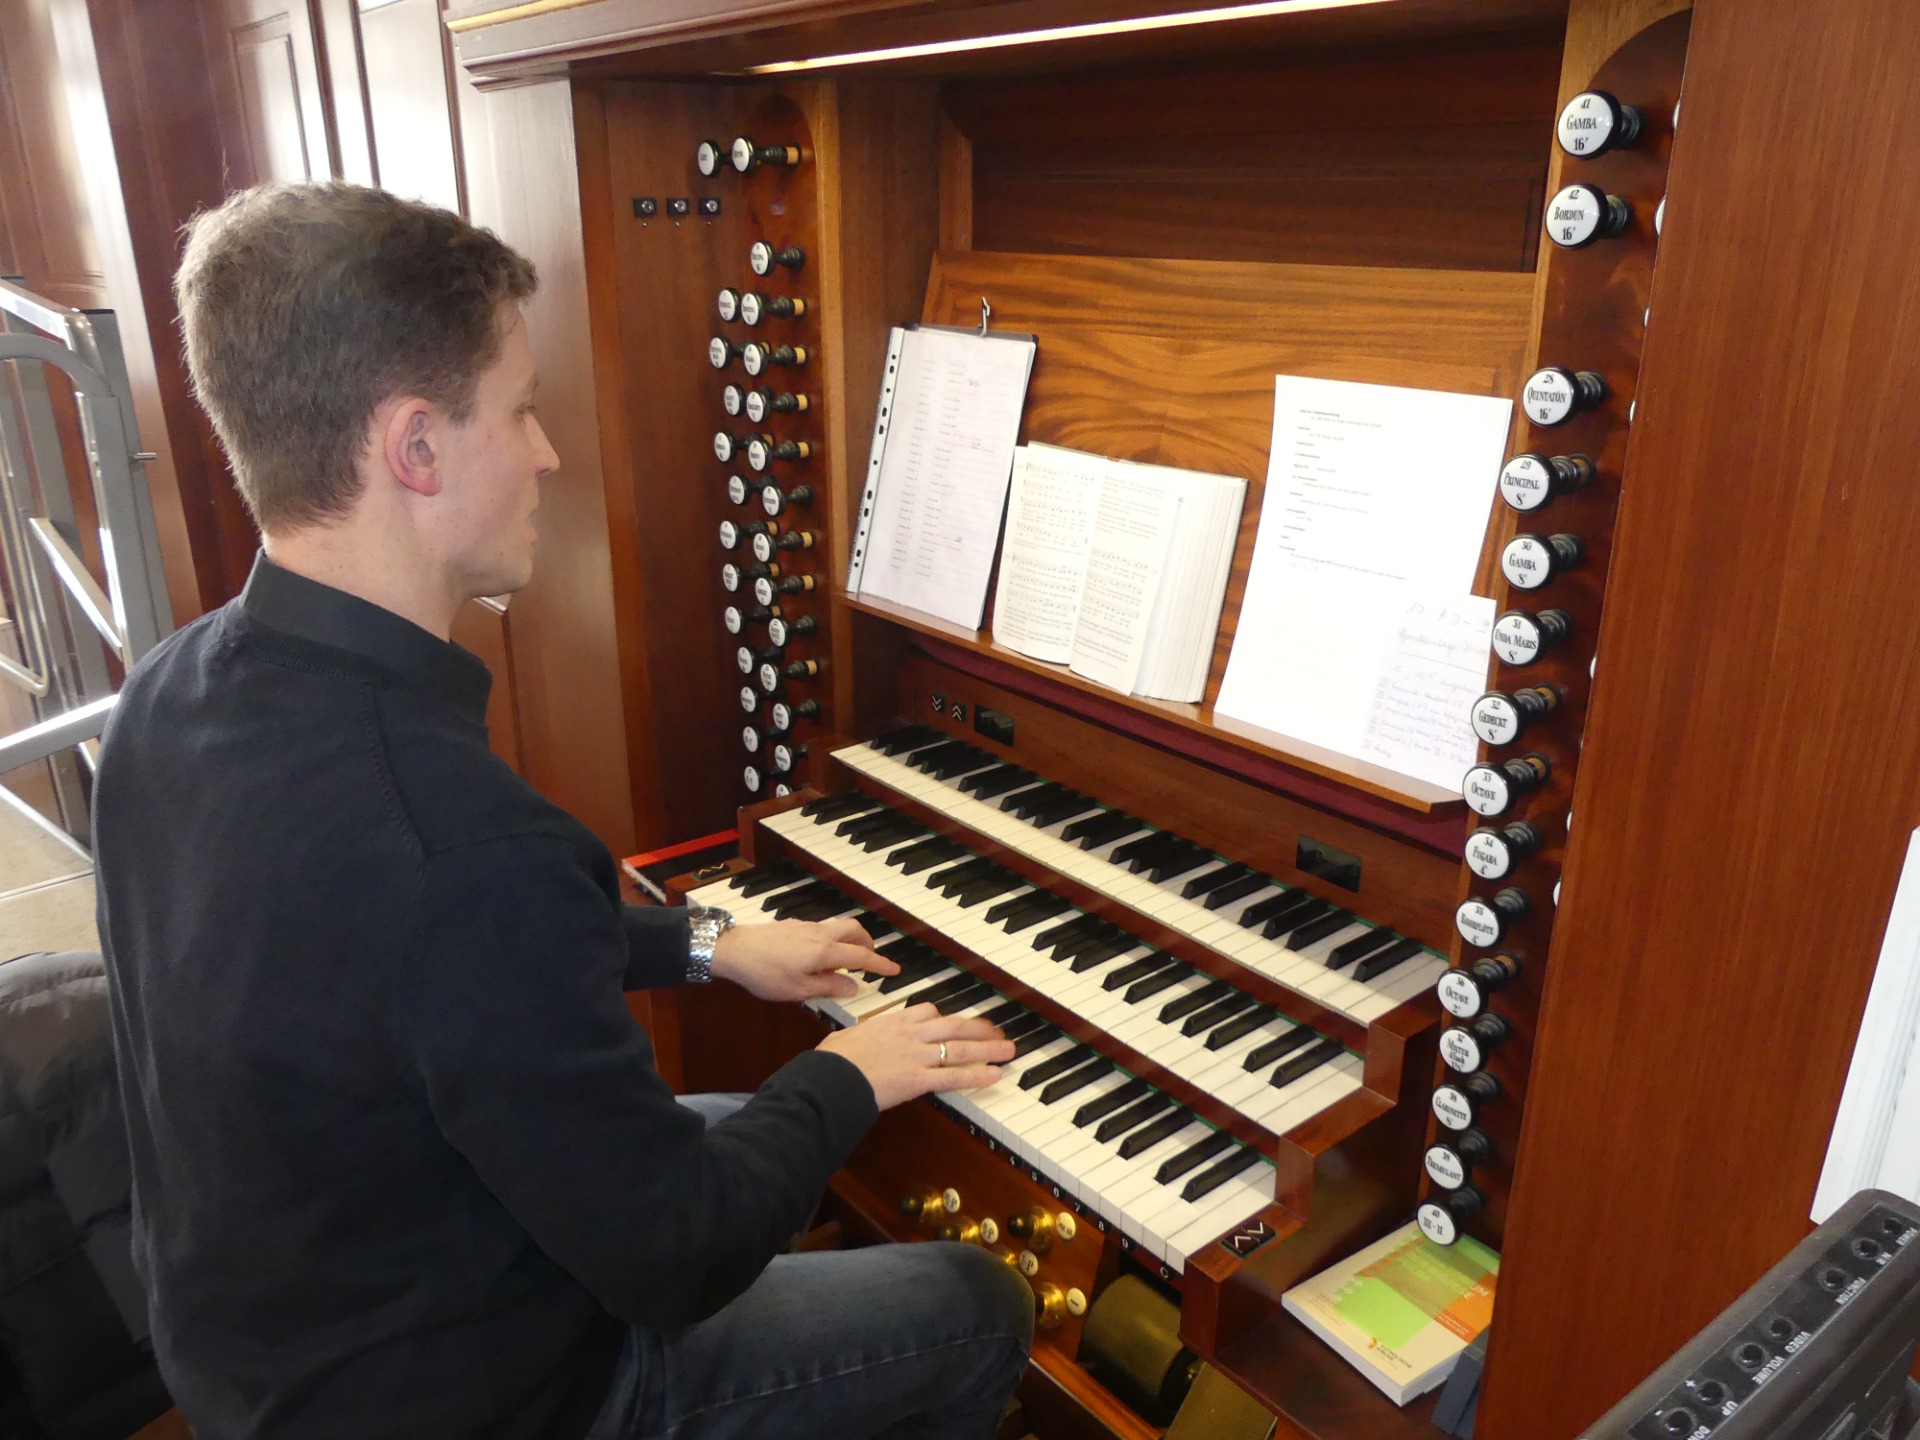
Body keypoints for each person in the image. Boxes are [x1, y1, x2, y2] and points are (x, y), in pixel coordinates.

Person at [93, 181, 1033, 1440]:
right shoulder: (456, 842)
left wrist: (710, 944)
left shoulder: (167, 693)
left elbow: (418, 957)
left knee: (740, 1128)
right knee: (975, 1301)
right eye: (520, 408)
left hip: (276, 1332)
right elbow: (674, 1255)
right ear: (415, 448)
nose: (545, 453)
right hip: (461, 1400)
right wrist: (845, 1072)